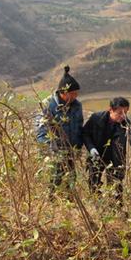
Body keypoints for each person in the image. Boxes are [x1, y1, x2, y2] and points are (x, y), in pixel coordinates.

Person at [82, 97, 131, 206]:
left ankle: (116, 210)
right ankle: (98, 206)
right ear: (111, 110)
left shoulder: (126, 124)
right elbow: (85, 134)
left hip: (116, 159)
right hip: (97, 155)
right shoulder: (96, 119)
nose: (123, 116)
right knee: (93, 183)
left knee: (116, 188)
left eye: (125, 113)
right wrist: (91, 148)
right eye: (120, 113)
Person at [36, 65, 83, 197]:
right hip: (55, 152)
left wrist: (78, 147)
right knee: (54, 181)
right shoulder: (48, 105)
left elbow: (79, 126)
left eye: (76, 93)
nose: (76, 96)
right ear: (64, 93)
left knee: (71, 180)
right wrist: (50, 151)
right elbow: (41, 132)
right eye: (73, 93)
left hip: (71, 151)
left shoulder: (77, 105)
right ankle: (52, 205)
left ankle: (71, 203)